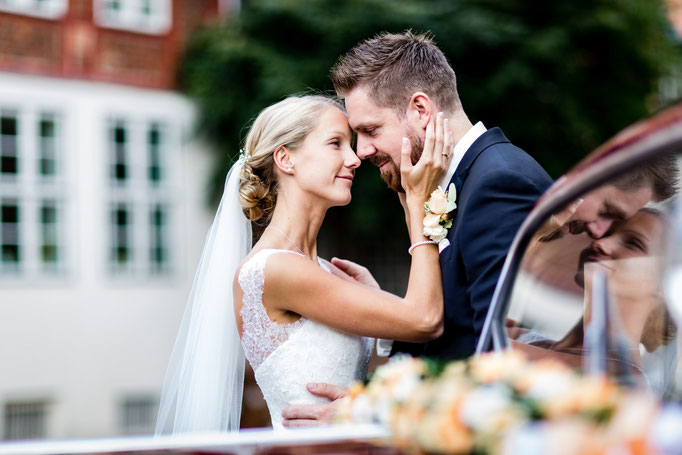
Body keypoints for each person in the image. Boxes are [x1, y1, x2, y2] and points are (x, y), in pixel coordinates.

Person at [281, 31, 553, 426]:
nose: (361, 151)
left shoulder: (499, 184)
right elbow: (457, 327)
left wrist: (376, 409)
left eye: (370, 130)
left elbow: (501, 357)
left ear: (421, 109)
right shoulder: (458, 182)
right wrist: (393, 313)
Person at [155, 94, 454, 433]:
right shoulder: (275, 270)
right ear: (286, 159)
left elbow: (403, 346)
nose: (355, 158)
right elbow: (425, 320)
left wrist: (382, 302)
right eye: (335, 143)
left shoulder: (326, 272)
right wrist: (418, 208)